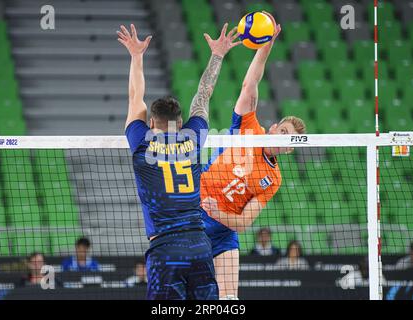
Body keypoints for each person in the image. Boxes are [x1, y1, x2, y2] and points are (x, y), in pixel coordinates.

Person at [117, 23, 240, 300]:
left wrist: (136, 56)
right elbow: (203, 95)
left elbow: (135, 98)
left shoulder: (142, 141)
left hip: (165, 250)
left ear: (151, 122)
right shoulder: (194, 138)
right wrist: (218, 54)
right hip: (199, 245)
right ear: (181, 122)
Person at [200, 12, 306, 299]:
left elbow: (246, 222)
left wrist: (217, 211)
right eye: (283, 131)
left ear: (290, 149)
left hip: (223, 229)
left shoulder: (273, 179)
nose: (283, 138)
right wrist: (265, 47)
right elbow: (250, 85)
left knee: (230, 299)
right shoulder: (250, 127)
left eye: (289, 139)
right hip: (193, 213)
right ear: (273, 128)